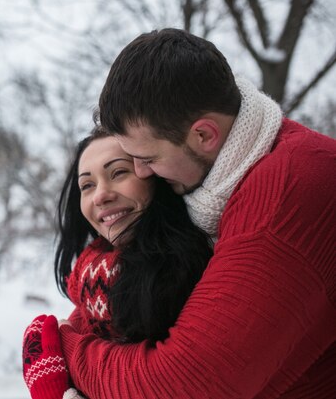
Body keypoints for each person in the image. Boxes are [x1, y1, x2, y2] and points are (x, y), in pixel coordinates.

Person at [35, 28, 336, 398]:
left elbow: (181, 386)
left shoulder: (282, 202)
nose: (144, 174)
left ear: (204, 135)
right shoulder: (226, 184)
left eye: (147, 159)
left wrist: (64, 346)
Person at [22, 127, 213, 399]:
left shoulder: (198, 266)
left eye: (119, 172)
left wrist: (66, 350)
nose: (100, 195)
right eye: (87, 185)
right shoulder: (90, 283)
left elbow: (173, 382)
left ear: (156, 176)